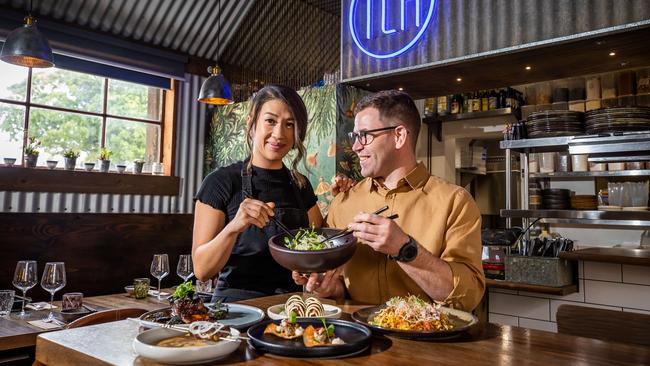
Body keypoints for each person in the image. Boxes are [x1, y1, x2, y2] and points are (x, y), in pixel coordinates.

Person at [294, 90, 485, 311]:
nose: (356, 147)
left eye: (364, 135)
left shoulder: (455, 203)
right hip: (355, 338)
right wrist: (330, 290)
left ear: (399, 136)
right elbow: (340, 286)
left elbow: (467, 297)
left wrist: (404, 249)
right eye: (354, 137)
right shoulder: (344, 202)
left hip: (425, 341)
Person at [192, 84, 356, 302]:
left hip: (291, 308)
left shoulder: (300, 184)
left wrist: (341, 200)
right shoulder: (220, 182)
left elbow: (319, 243)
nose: (279, 134)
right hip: (237, 309)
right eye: (270, 121)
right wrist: (234, 227)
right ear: (251, 123)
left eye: (289, 124)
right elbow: (202, 269)